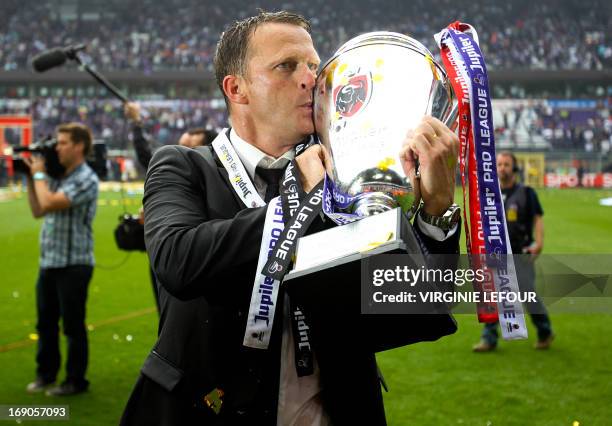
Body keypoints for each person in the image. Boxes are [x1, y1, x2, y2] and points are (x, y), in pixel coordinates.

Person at [121, 11, 460, 425]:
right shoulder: (184, 166)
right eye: (286, 66)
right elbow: (179, 261)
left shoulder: (348, 175)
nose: (310, 80)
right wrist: (293, 204)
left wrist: (437, 215)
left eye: (314, 66)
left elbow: (416, 312)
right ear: (237, 89)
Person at [24, 123, 99, 396]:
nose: (57, 148)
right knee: (45, 324)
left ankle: (75, 380)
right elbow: (37, 210)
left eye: (63, 143)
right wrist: (31, 178)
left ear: (78, 146)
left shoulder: (86, 178)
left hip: (74, 263)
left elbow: (50, 203)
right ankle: (46, 374)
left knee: (72, 325)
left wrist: (40, 174)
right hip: (50, 262)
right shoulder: (57, 177)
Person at [473, 151, 554, 352]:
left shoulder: (526, 192)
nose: (502, 168)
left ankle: (545, 332)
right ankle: (488, 338)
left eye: (506, 164)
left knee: (528, 295)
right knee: (495, 296)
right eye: (499, 164)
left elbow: (538, 217)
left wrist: (539, 243)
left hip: (521, 252)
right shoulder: (491, 193)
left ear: (514, 168)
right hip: (497, 253)